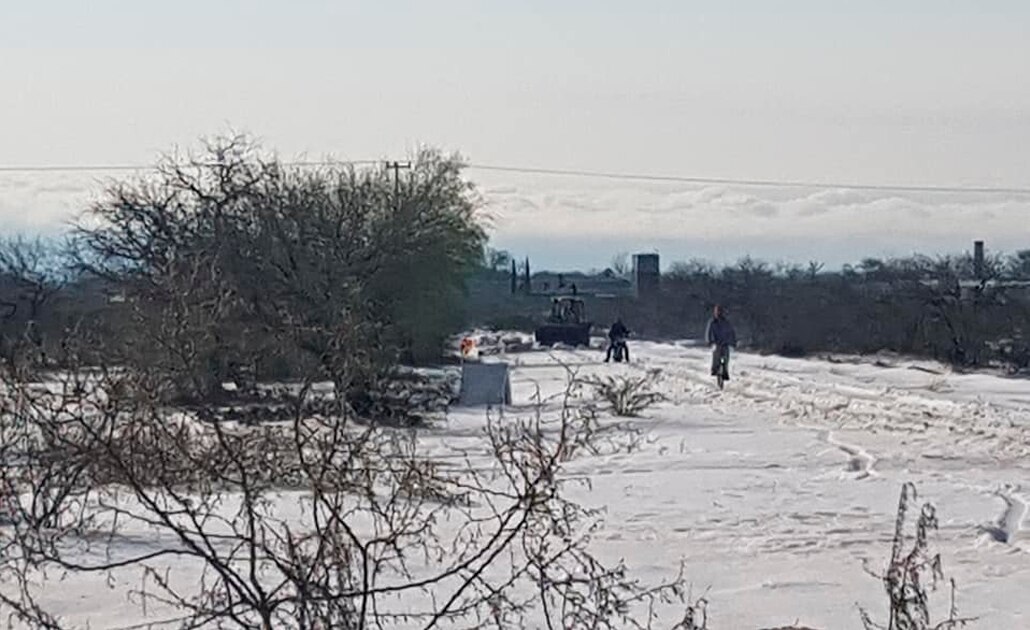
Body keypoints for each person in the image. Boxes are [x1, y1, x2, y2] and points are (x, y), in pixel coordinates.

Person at [705, 304, 737, 379]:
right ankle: (714, 369)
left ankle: (725, 371)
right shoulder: (712, 322)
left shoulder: (726, 322)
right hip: (716, 343)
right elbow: (709, 332)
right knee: (716, 354)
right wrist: (709, 341)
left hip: (725, 343)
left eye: (720, 312)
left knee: (726, 357)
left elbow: (731, 332)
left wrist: (733, 342)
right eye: (717, 312)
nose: (718, 313)